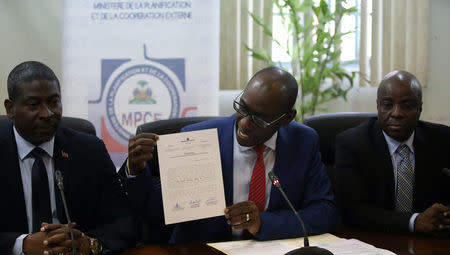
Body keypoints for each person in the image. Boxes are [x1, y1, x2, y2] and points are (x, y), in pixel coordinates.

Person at [122, 66, 337, 243]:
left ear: (286, 118)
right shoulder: (197, 138)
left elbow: (323, 211)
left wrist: (263, 223)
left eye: (259, 119)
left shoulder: (303, 142)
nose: (244, 123)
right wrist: (136, 170)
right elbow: (156, 215)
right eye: (242, 107)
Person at [0, 61, 136, 255]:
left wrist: (90, 244)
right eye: (33, 105)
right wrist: (23, 244)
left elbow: (125, 221)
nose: (47, 114)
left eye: (54, 102)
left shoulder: (89, 150)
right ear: (11, 109)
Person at [335, 70, 450, 235]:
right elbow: (352, 210)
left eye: (408, 106)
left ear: (420, 108)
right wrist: (414, 222)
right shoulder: (352, 144)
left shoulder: (443, 140)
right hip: (375, 241)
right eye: (388, 105)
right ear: (378, 106)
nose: (397, 113)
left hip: (431, 241)